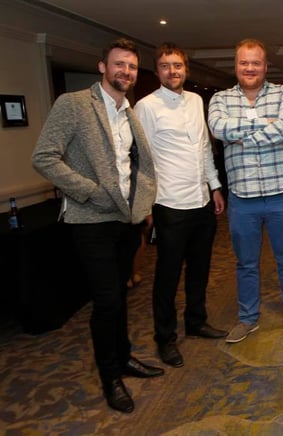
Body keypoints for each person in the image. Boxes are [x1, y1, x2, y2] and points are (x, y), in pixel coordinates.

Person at [31, 38, 163, 413]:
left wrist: (142, 202)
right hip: (91, 220)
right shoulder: (72, 104)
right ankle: (110, 376)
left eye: (132, 67)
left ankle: (123, 358)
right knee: (106, 301)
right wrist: (87, 191)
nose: (126, 71)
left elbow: (136, 166)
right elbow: (44, 157)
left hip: (125, 219)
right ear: (102, 66)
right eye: (119, 64)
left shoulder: (130, 112)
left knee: (120, 295)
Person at [208, 38, 283, 343]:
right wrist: (264, 125)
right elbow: (218, 129)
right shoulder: (220, 99)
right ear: (236, 66)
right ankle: (247, 319)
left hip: (281, 194)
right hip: (242, 199)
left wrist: (240, 135)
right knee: (246, 264)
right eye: (244, 62)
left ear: (266, 66)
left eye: (256, 62)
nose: (250, 68)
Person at [134, 43, 227, 369]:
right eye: (165, 66)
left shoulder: (196, 101)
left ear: (185, 69)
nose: (172, 71)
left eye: (177, 65)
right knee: (168, 276)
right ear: (157, 71)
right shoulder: (145, 106)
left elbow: (203, 147)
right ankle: (165, 338)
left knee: (200, 268)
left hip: (200, 200)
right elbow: (142, 161)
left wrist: (214, 186)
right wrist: (144, 204)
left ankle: (196, 321)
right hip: (169, 204)